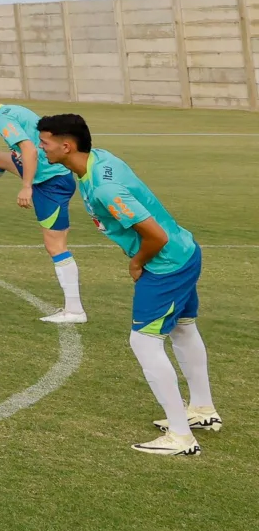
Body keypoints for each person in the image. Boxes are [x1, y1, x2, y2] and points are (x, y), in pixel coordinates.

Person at [37, 114, 217, 456]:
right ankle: (202, 410)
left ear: (66, 146)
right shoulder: (97, 161)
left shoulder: (104, 187)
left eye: (44, 142)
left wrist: (137, 262)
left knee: (144, 342)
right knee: (182, 328)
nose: (40, 147)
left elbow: (155, 236)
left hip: (166, 264)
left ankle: (181, 436)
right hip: (185, 250)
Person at [0, 85, 85, 323]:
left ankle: (74, 310)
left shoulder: (2, 119)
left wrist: (26, 186)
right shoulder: (13, 110)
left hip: (50, 184)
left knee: (56, 246)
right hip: (53, 175)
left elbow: (30, 150)